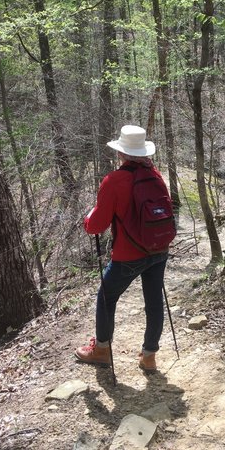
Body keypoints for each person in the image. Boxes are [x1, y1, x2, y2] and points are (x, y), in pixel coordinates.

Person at [75, 125, 169, 372]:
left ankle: (102, 350)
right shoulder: (156, 175)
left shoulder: (113, 181)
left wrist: (88, 219)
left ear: (121, 153)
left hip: (129, 254)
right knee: (154, 300)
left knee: (106, 296)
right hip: (159, 248)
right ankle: (149, 356)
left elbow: (96, 226)